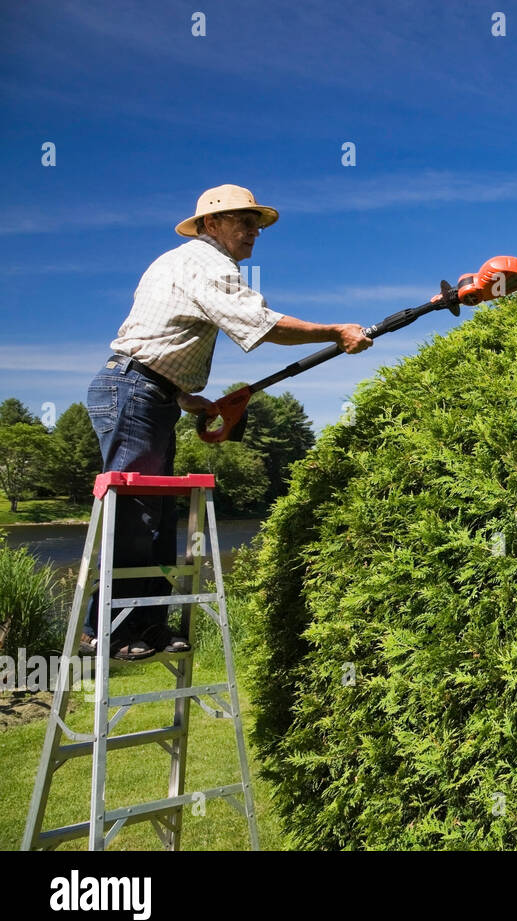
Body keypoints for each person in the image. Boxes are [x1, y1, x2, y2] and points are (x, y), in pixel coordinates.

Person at [81, 184, 373, 660]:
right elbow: (259, 324)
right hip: (133, 390)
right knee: (135, 510)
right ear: (211, 225)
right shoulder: (206, 263)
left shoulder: (180, 261)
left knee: (158, 515)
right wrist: (335, 332)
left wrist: (181, 396)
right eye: (242, 220)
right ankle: (105, 630)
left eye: (256, 222)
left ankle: (150, 626)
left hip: (149, 392)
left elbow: (159, 335)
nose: (253, 230)